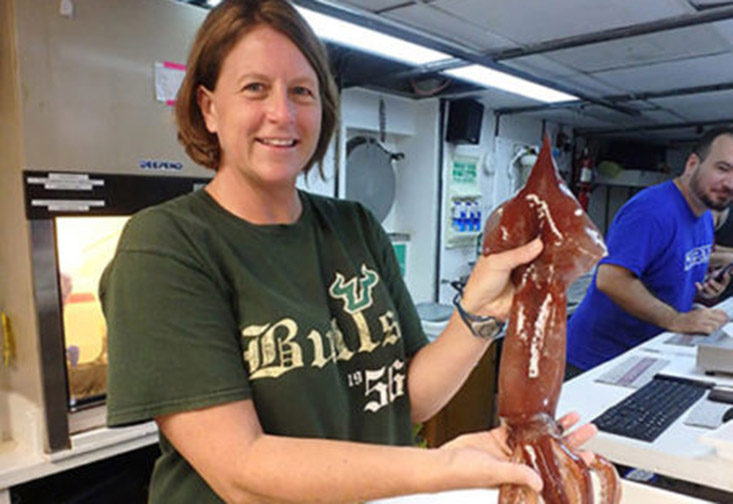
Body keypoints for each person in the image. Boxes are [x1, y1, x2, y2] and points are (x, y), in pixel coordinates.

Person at [100, 1, 595, 502]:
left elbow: (409, 399)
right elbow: (242, 469)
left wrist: (480, 313)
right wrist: (439, 466)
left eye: (301, 91)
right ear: (208, 107)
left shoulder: (354, 226)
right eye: (255, 88)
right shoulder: (166, 247)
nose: (282, 113)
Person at [566, 127, 733, 376]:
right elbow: (610, 279)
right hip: (594, 361)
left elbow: (670, 269)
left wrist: (704, 293)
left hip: (642, 356)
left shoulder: (704, 218)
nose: (730, 183)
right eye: (722, 168)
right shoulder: (652, 210)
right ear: (692, 164)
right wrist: (677, 320)